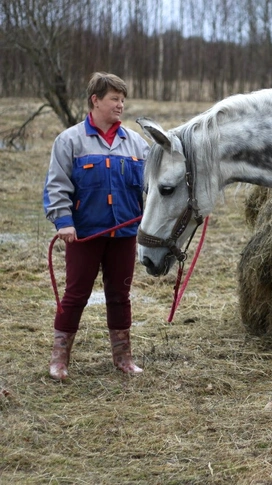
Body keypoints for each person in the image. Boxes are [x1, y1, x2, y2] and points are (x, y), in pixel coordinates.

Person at [43, 72, 149, 380]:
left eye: (122, 99)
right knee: (75, 295)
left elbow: (152, 186)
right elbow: (56, 187)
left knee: (120, 295)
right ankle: (59, 359)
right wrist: (64, 222)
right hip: (84, 235)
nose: (120, 105)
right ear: (96, 100)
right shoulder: (70, 141)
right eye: (114, 99)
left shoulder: (136, 144)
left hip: (125, 234)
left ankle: (123, 358)